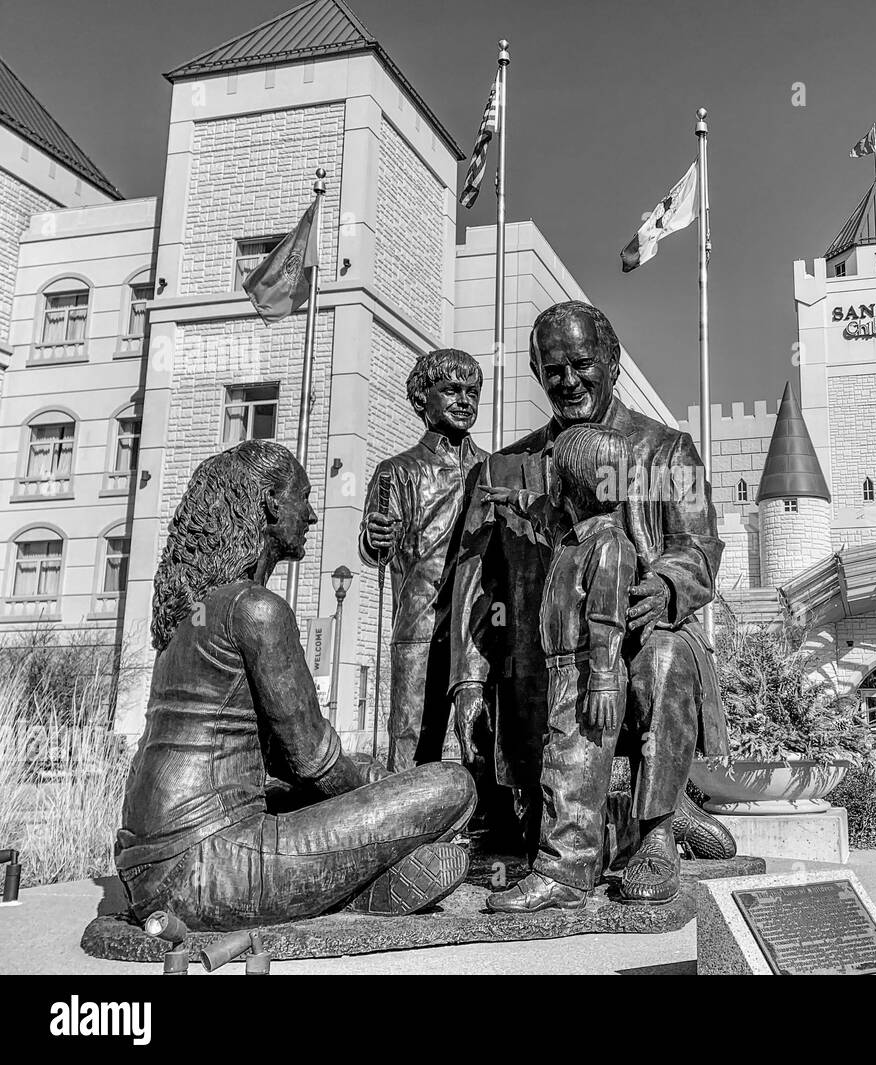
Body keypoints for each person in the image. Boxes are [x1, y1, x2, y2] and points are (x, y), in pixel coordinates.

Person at [115, 440, 476, 931]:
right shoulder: (255, 609)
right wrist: (388, 792)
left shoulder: (189, 613)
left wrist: (371, 782)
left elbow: (280, 761)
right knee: (450, 785)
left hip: (149, 863)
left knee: (369, 773)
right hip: (211, 867)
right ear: (269, 504)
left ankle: (370, 885)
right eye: (302, 499)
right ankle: (365, 889)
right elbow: (314, 762)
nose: (309, 515)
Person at [450, 300, 735, 909]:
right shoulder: (509, 466)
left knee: (661, 661)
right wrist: (467, 682)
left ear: (612, 362)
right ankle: (572, 838)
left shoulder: (665, 451)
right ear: (536, 372)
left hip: (641, 631)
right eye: (554, 370)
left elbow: (700, 547)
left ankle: (655, 834)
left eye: (582, 364)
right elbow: (479, 584)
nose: (569, 381)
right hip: (541, 648)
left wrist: (664, 586)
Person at [479, 425, 638, 910]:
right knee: (560, 764)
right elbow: (539, 510)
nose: (550, 487)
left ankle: (564, 874)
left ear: (571, 484)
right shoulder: (573, 533)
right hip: (566, 671)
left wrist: (605, 679)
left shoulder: (608, 545)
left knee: (573, 769)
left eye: (556, 477)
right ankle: (571, 863)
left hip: (591, 672)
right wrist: (510, 499)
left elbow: (607, 619)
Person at [360, 348, 488, 772]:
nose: (464, 400)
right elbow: (375, 544)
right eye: (451, 390)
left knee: (484, 735)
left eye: (472, 391)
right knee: (414, 741)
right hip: (421, 620)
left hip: (480, 623)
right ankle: (410, 831)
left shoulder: (493, 470)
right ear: (421, 399)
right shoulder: (396, 471)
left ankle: (485, 825)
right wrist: (374, 537)